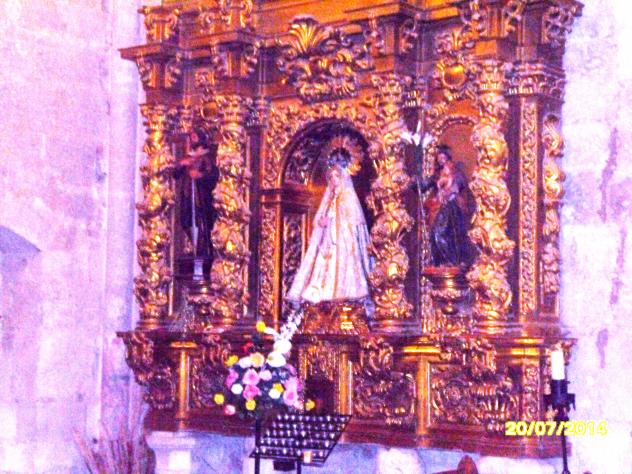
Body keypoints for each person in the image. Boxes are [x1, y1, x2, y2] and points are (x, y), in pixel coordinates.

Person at [286, 150, 371, 304]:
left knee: (343, 267)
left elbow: (353, 219)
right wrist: (321, 222)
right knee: (324, 266)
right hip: (328, 239)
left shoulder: (348, 195)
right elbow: (321, 216)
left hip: (344, 240)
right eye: (331, 177)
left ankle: (345, 296)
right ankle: (325, 295)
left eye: (336, 176)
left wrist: (334, 220)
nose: (333, 179)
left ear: (343, 176)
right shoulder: (330, 197)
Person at [420, 145, 473, 268]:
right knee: (434, 234)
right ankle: (440, 263)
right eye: (439, 158)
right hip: (441, 207)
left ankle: (452, 262)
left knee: (441, 233)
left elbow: (460, 184)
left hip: (452, 207)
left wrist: (450, 190)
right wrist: (416, 181)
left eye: (443, 158)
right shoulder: (437, 174)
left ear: (448, 158)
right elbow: (424, 185)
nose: (441, 161)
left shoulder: (456, 173)